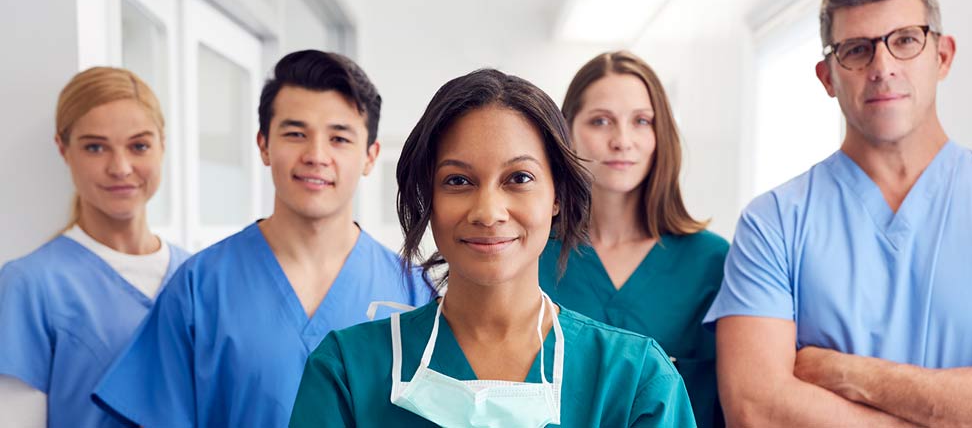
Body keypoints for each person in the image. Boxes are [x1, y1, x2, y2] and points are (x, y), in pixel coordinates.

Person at [705, 0, 972, 426]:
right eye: (856, 49)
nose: (882, 66)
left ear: (943, 56)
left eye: (906, 40)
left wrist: (847, 373)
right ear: (827, 77)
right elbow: (757, 410)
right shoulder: (772, 223)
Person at [289, 68, 695, 427]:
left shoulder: (633, 379)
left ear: (556, 195)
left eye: (518, 178)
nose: (487, 212)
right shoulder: (347, 371)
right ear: (427, 197)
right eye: (458, 181)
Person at [92, 50, 432, 427]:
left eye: (339, 138)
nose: (316, 155)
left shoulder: (414, 295)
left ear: (370, 155)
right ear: (264, 145)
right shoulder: (199, 287)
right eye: (296, 134)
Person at [539, 50, 728, 426]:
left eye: (641, 121)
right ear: (567, 132)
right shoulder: (531, 258)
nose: (622, 140)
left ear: (661, 135)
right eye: (601, 121)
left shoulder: (713, 263)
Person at [0, 67, 190, 428]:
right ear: (63, 148)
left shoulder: (198, 276)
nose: (120, 167)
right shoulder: (30, 284)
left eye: (139, 146)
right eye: (95, 147)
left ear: (162, 144)